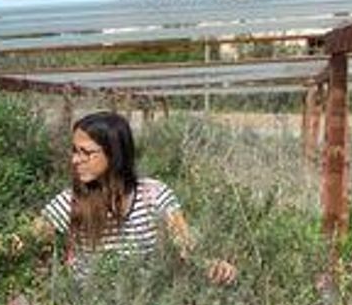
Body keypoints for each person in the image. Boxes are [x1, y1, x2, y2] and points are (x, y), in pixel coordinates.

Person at [35, 111, 236, 284]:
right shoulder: (71, 200)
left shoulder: (154, 195)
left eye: (86, 152)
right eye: (74, 151)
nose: (75, 160)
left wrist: (210, 264)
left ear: (114, 153)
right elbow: (29, 239)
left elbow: (183, 241)